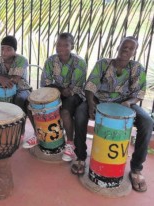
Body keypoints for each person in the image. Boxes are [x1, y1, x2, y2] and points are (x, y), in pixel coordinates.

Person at [75, 36, 153, 192]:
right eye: (124, 46)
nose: (126, 50)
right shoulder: (103, 64)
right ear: (118, 46)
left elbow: (139, 93)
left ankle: (136, 169)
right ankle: (81, 157)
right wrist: (90, 103)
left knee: (147, 122)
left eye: (131, 48)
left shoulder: (137, 68)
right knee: (80, 113)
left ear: (134, 51)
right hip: (99, 101)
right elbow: (90, 86)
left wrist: (129, 103)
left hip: (124, 103)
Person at [24, 32, 87, 161]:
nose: (61, 48)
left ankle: (69, 143)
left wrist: (60, 89)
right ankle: (38, 134)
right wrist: (59, 89)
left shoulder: (79, 62)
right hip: (56, 92)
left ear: (72, 46)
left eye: (66, 45)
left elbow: (74, 88)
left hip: (75, 94)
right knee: (30, 105)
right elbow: (45, 82)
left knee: (65, 111)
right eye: (59, 44)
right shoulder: (51, 60)